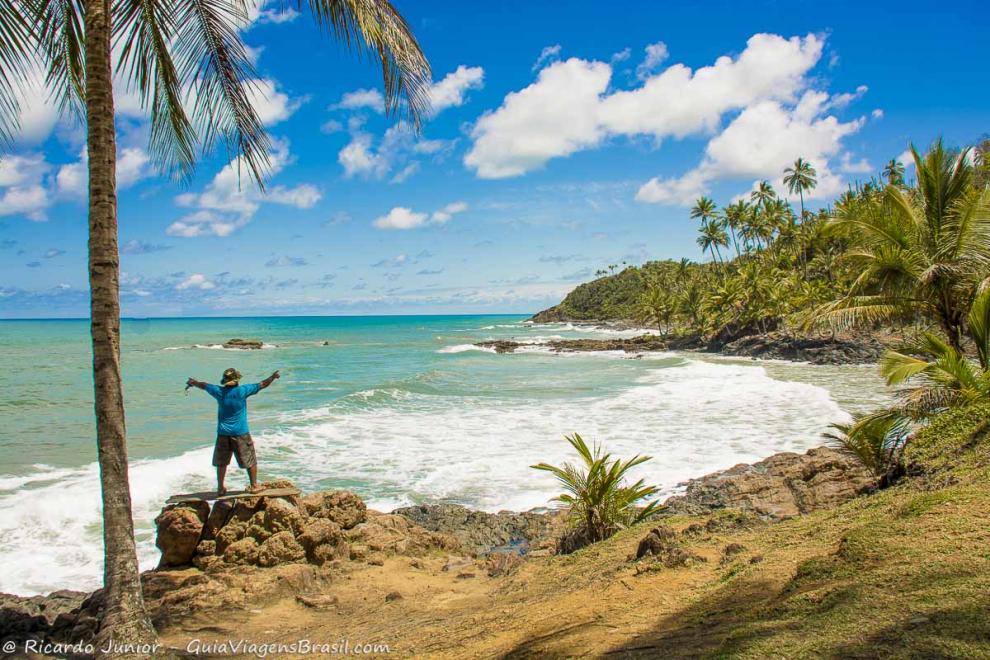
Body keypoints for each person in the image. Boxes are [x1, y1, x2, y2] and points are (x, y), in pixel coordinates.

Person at [186, 367, 280, 495]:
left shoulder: (218, 391)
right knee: (250, 459)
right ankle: (254, 486)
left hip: (223, 433)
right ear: (236, 380)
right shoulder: (242, 391)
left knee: (221, 462)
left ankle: (220, 488)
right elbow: (262, 384)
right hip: (240, 433)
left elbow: (204, 385)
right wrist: (273, 377)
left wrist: (193, 382)